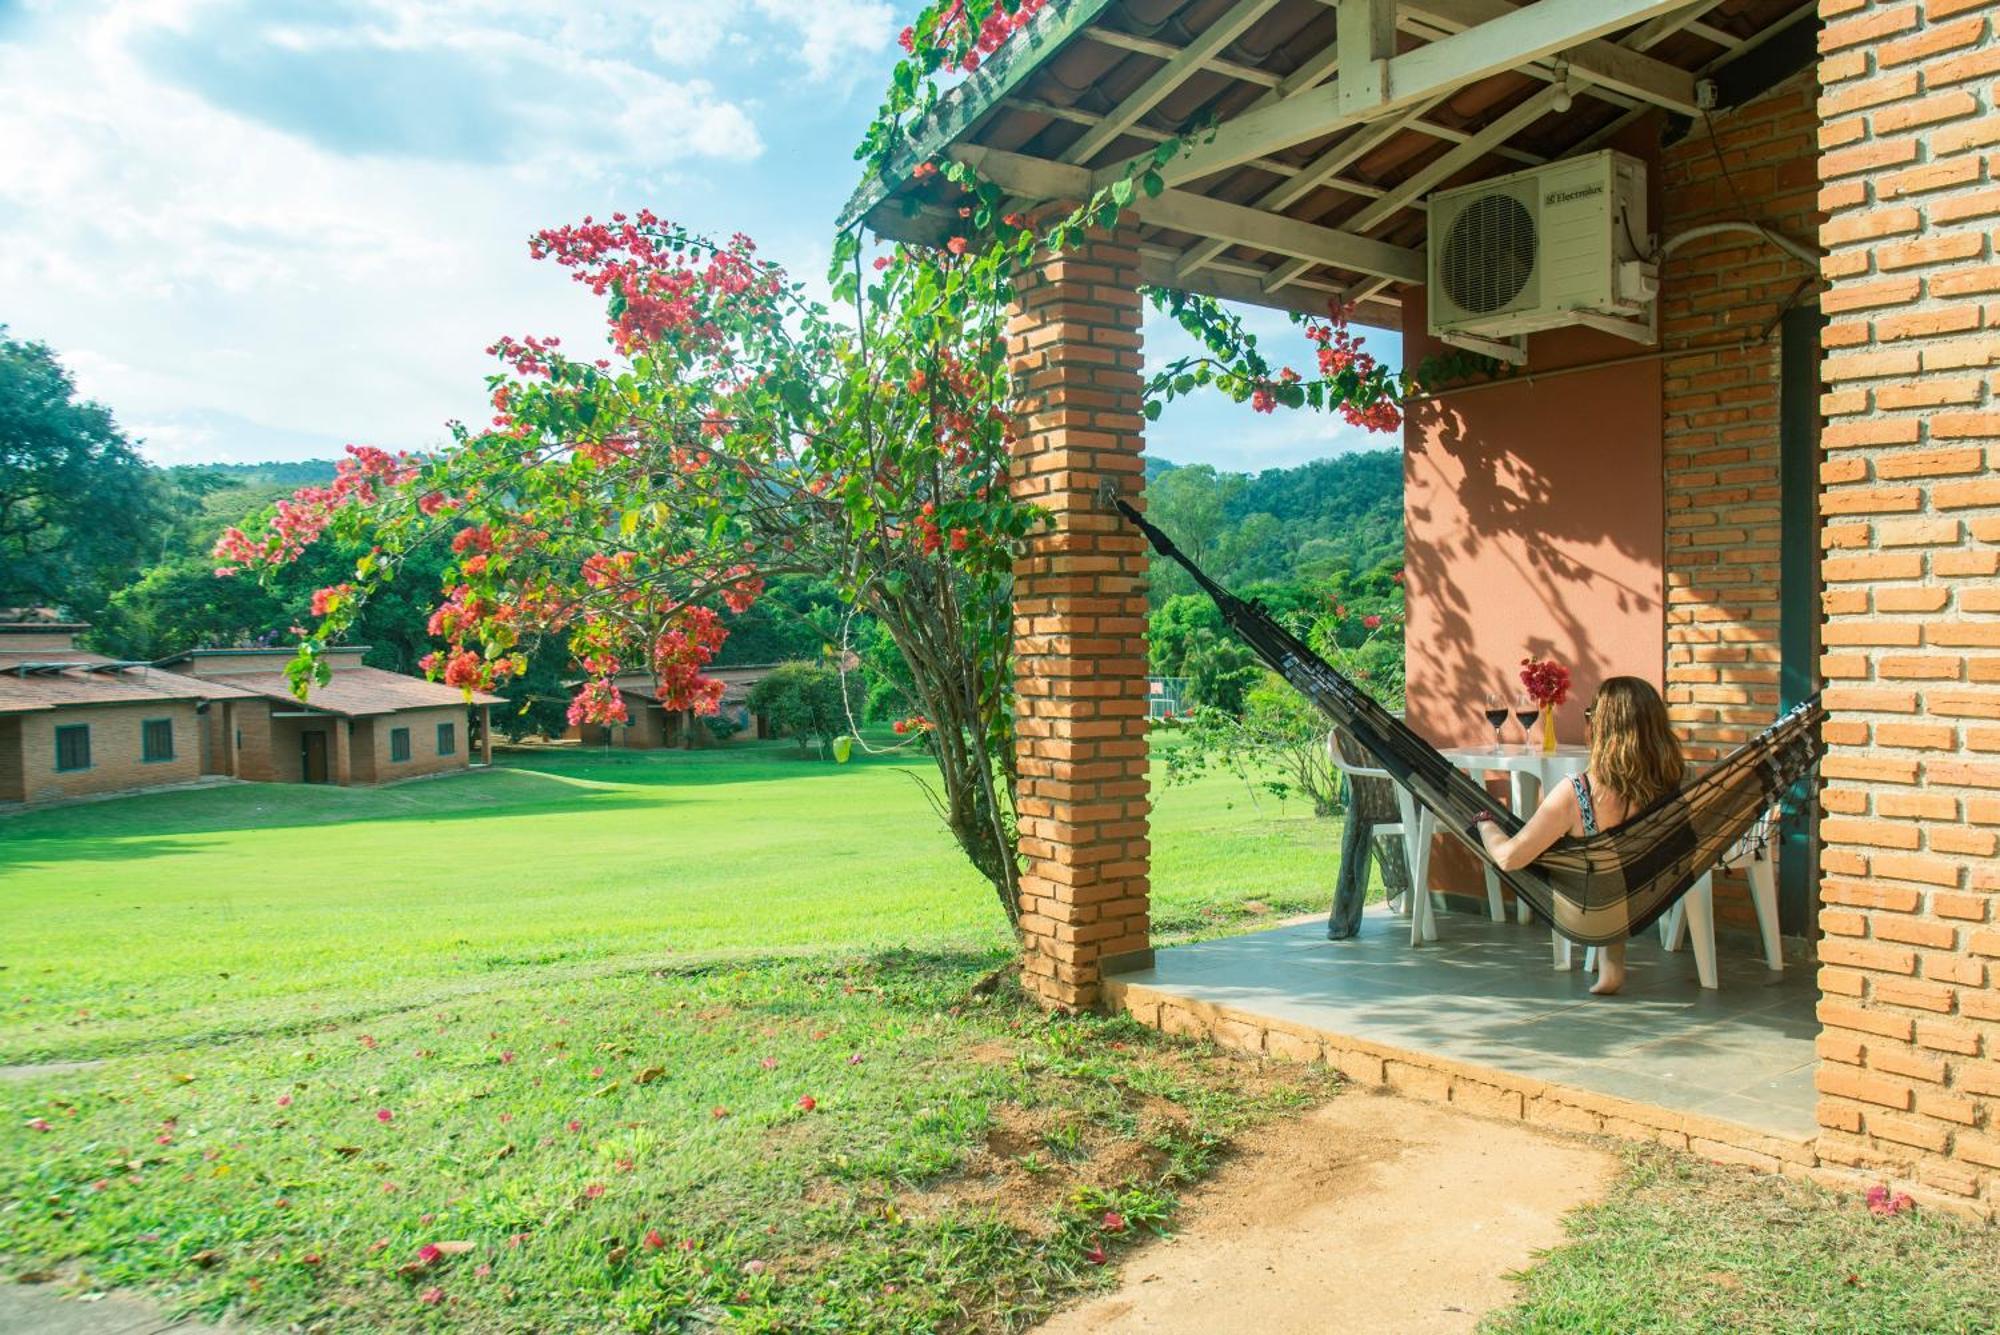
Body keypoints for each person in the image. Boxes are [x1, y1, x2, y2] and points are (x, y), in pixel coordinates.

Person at [1470, 676, 1685, 996]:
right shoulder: (1673, 782)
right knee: (1613, 865)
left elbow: (1509, 857)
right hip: (1648, 892)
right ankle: (1612, 970)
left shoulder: (1578, 791)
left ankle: (1611, 968)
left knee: (1597, 868)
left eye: (1590, 715)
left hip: (1589, 908)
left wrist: (1484, 821)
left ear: (1601, 727)